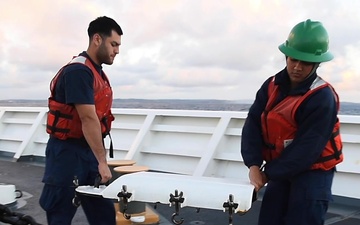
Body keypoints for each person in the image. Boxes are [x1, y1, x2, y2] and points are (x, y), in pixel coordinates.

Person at [241, 19, 343, 225]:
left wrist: (267, 174)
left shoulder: (322, 97)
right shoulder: (270, 86)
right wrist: (253, 164)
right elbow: (252, 124)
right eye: (293, 59)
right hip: (281, 168)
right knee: (270, 219)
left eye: (305, 62)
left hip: (312, 172)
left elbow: (307, 149)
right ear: (286, 56)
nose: (297, 67)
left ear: (317, 64)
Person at [39, 16, 123, 225]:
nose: (117, 51)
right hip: (67, 155)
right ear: (97, 39)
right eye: (114, 44)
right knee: (60, 215)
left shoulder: (97, 72)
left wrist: (98, 161)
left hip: (88, 153)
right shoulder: (79, 71)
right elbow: (88, 118)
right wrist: (103, 162)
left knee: (103, 215)